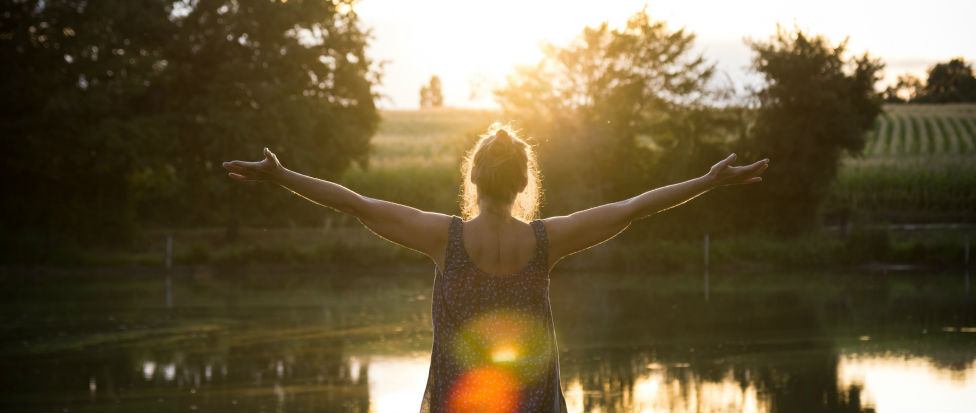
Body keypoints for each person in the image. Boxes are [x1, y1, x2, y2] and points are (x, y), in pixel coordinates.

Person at [222, 124, 769, 413]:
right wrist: (708, 181)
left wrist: (281, 176)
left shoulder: (445, 237)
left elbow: (356, 204)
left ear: (474, 179)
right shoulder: (546, 240)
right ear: (525, 182)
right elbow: (632, 209)